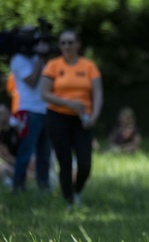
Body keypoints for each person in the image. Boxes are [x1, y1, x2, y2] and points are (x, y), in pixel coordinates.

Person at [41, 30, 103, 207]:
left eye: (70, 42)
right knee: (65, 160)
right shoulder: (53, 65)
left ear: (78, 44)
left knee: (85, 163)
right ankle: (69, 200)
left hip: (82, 119)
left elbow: (98, 94)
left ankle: (77, 190)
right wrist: (68, 103)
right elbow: (44, 93)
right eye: (63, 43)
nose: (66, 46)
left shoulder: (88, 66)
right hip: (57, 117)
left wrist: (94, 116)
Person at [10, 37, 51, 192]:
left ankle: (44, 186)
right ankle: (18, 187)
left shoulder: (36, 57)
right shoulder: (18, 60)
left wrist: (43, 57)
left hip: (45, 110)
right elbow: (32, 81)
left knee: (44, 154)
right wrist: (40, 59)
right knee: (26, 152)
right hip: (29, 111)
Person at [0, 104, 19, 187]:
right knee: (3, 169)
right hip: (13, 164)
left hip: (28, 162)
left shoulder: (18, 129)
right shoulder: (1, 135)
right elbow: (5, 155)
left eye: (2, 113)